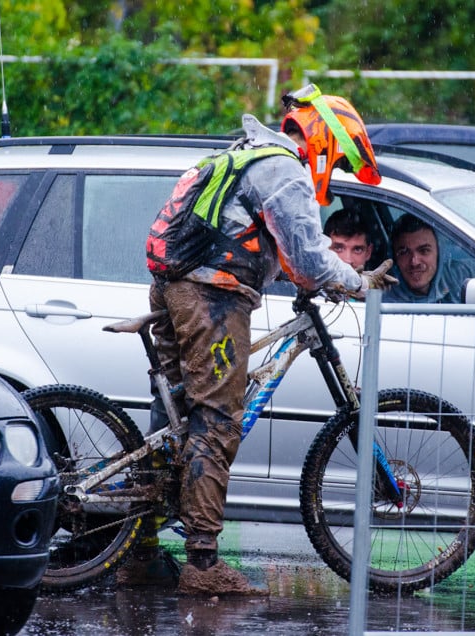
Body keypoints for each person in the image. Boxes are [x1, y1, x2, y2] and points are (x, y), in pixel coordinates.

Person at [121, 84, 397, 596]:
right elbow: (312, 258)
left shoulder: (248, 153)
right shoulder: (285, 169)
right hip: (210, 295)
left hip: (174, 285)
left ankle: (138, 550)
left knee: (176, 421)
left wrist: (310, 276)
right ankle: (202, 565)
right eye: (335, 164)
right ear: (327, 143)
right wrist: (360, 282)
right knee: (217, 418)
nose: (329, 175)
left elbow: (274, 247)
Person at [384, 213, 475, 304]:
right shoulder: (384, 299)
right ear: (394, 257)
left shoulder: (462, 275)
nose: (414, 262)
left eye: (424, 251)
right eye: (404, 252)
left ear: (439, 253)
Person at [323, 207, 373, 271]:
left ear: (368, 253)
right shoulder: (309, 279)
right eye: (338, 248)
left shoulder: (379, 280)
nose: (348, 261)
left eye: (357, 250)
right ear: (323, 250)